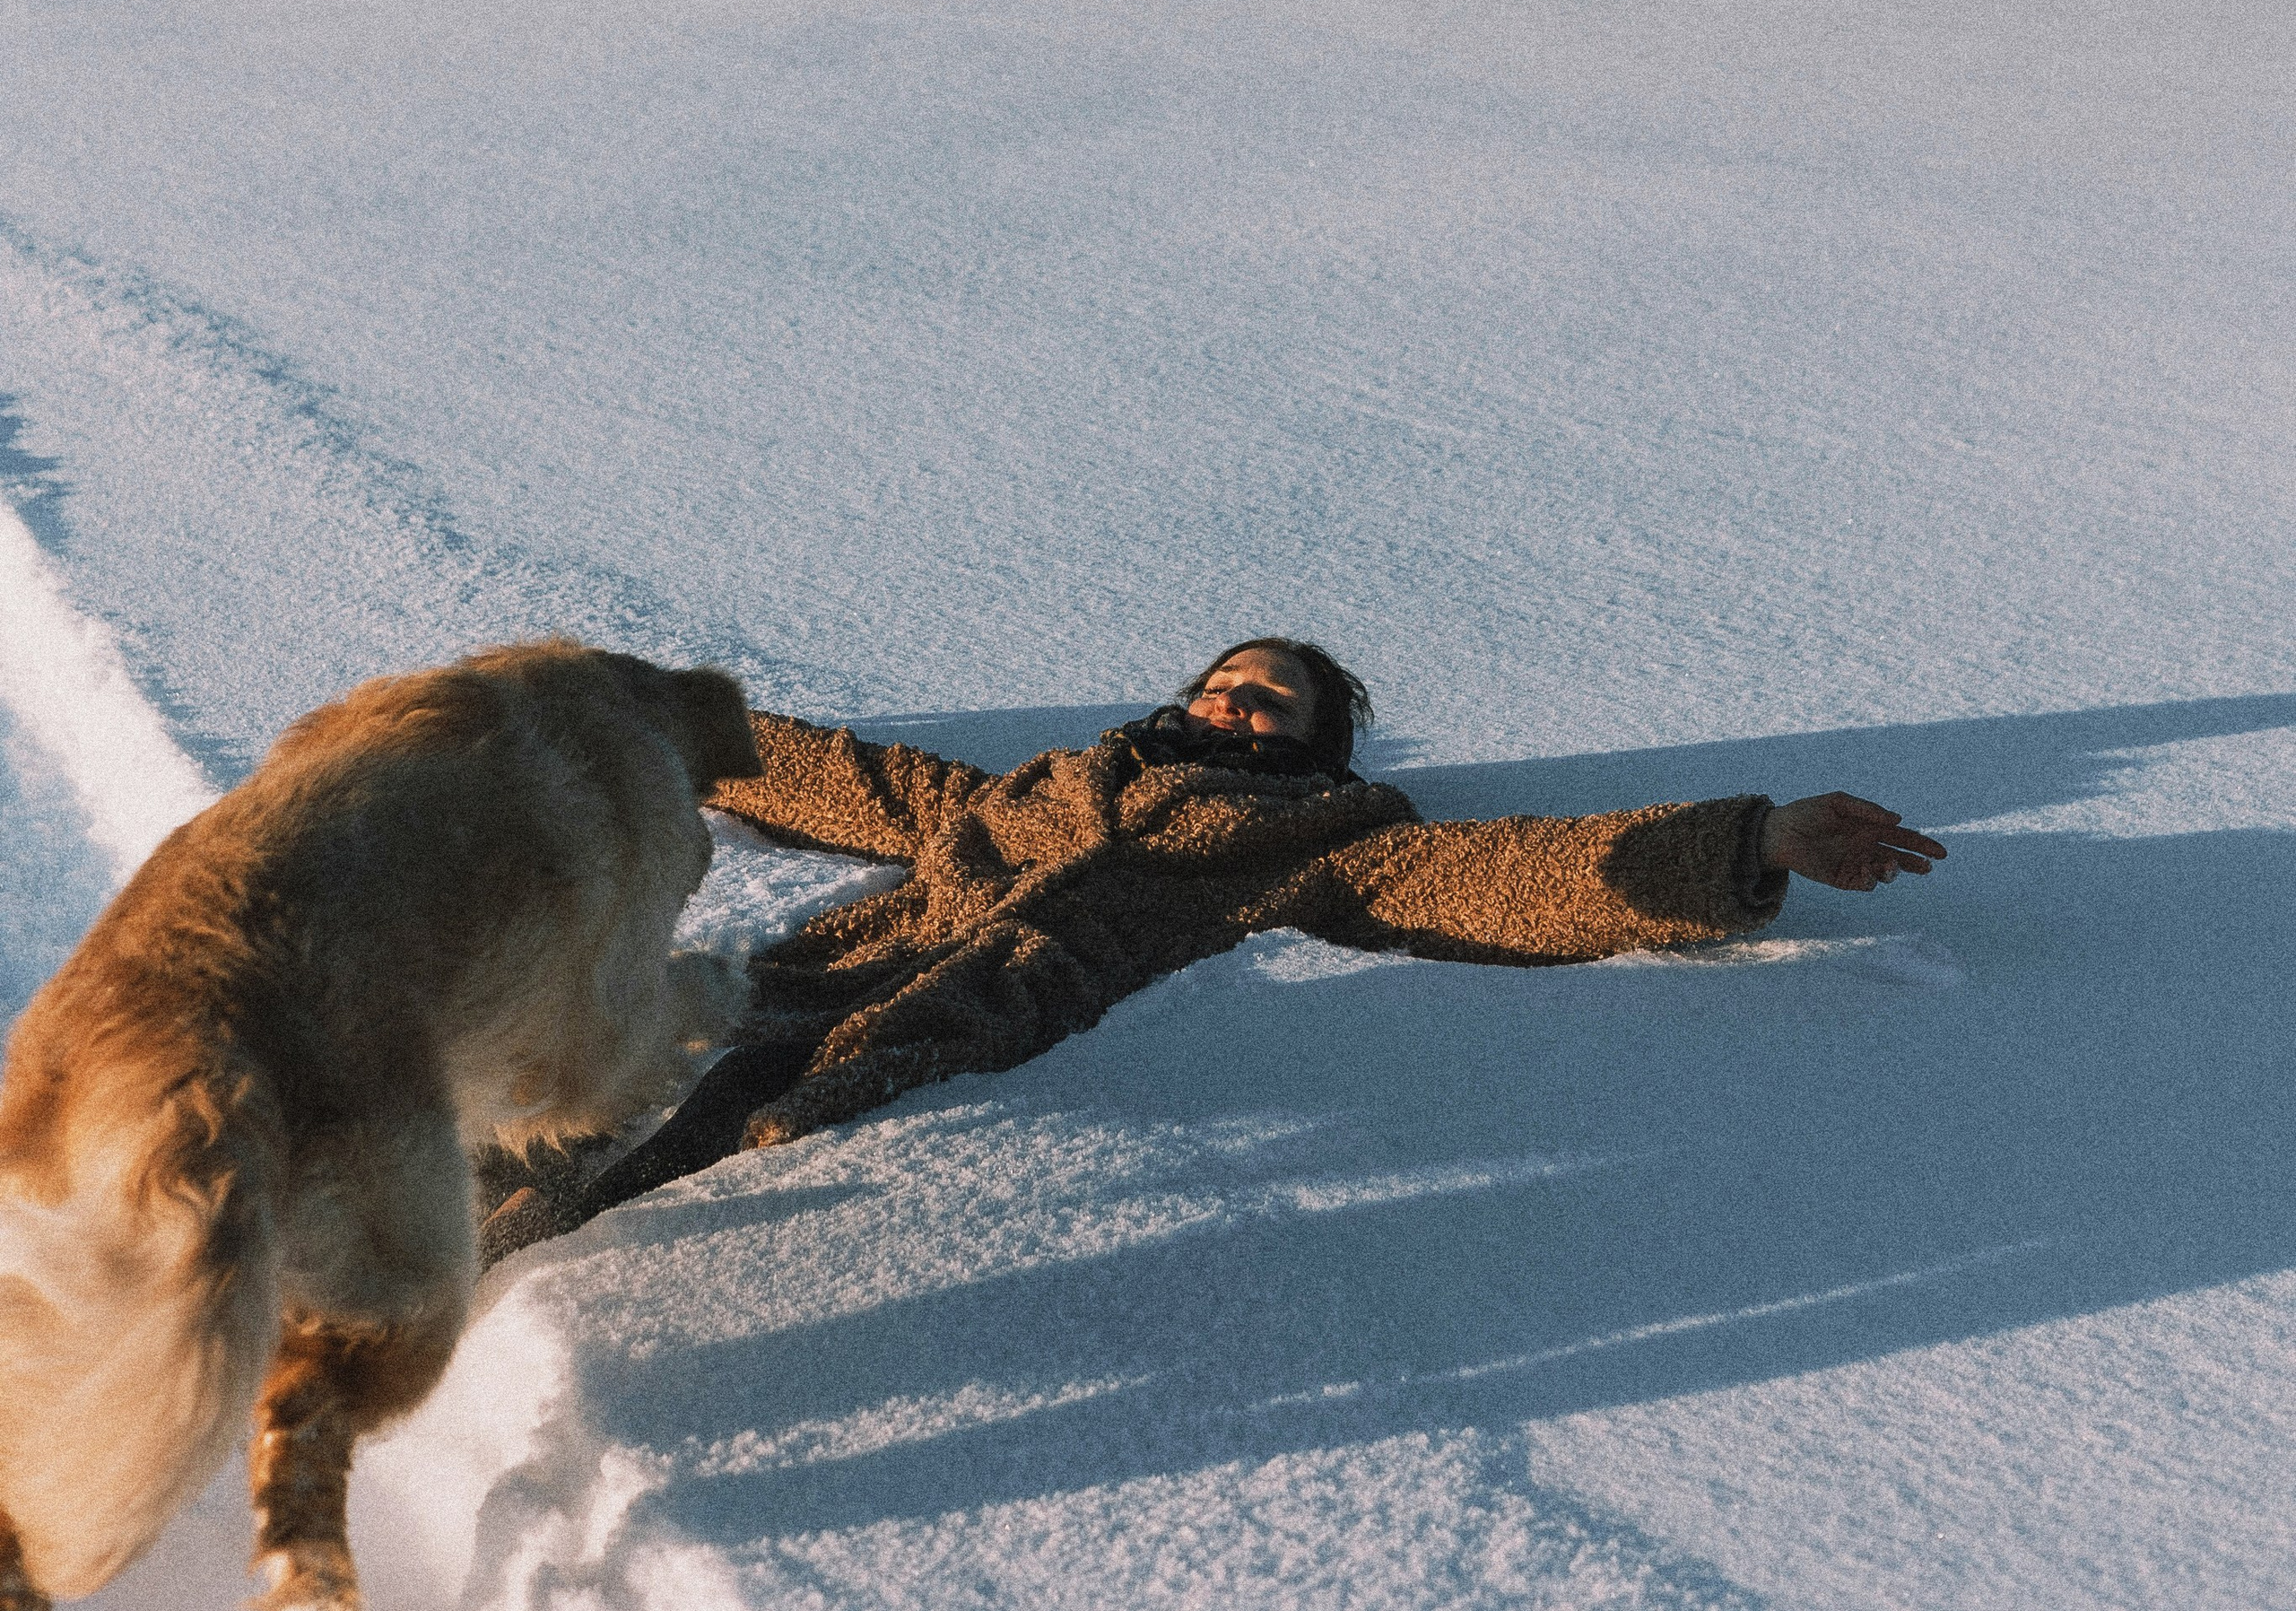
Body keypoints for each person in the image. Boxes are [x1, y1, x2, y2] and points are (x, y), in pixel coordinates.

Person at [480, 639, 1944, 1263]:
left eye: (1279, 706)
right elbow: (831, 775)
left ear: (1317, 753)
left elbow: (1518, 873)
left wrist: (1748, 843)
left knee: (726, 1142)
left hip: (972, 1044)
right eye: (1229, 686)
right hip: (809, 976)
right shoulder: (1028, 794)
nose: (1245, 706)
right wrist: (627, 708)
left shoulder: (1327, 847)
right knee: (573, 1087)